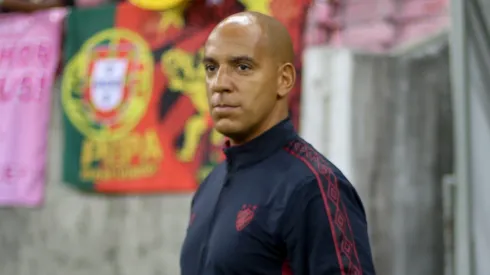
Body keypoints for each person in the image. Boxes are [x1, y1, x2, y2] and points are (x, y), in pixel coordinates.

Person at [180, 11, 376, 275]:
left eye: (243, 67)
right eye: (211, 68)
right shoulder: (210, 186)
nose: (220, 84)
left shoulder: (312, 187)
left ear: (284, 80)